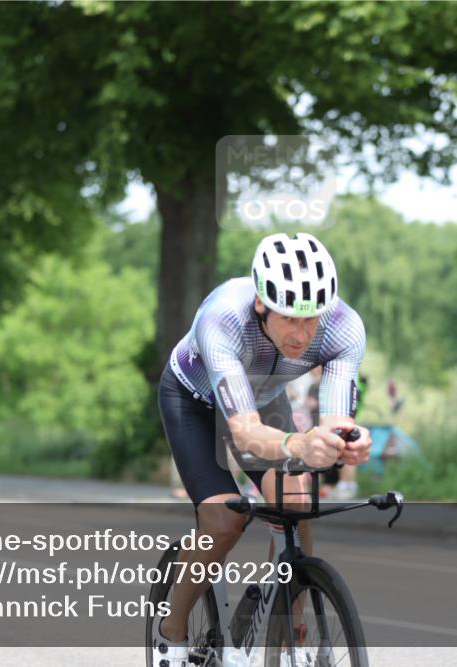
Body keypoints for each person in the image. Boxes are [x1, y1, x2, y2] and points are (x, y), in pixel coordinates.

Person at [154, 232, 370, 666]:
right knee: (223, 521)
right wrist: (300, 443)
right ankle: (172, 632)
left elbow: (334, 422)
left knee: (296, 498)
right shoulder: (223, 318)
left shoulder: (344, 328)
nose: (302, 333)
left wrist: (348, 441)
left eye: (312, 320)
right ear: (261, 304)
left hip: (263, 398)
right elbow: (247, 433)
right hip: (193, 401)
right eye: (289, 318)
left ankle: (290, 635)